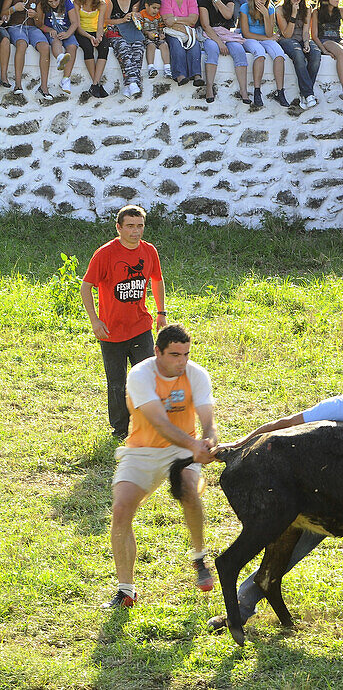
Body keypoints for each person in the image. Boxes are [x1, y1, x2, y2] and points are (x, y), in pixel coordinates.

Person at [206, 357, 343, 633]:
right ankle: (240, 610)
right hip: (328, 499)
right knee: (285, 553)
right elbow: (284, 424)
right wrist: (239, 444)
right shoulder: (338, 407)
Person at [102, 324, 218, 609]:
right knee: (120, 509)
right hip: (142, 450)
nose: (182, 361)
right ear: (157, 352)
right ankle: (126, 591)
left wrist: (210, 442)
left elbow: (208, 420)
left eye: (186, 354)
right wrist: (195, 447)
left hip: (182, 447)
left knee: (189, 489)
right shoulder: (141, 375)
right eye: (174, 355)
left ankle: (199, 557)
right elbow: (159, 422)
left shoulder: (197, 374)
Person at [80, 205, 166, 439]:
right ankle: (120, 429)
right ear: (119, 227)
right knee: (117, 384)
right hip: (111, 331)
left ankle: (149, 424)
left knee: (148, 378)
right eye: (130, 226)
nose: (135, 231)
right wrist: (95, 320)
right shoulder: (105, 253)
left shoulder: (149, 251)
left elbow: (157, 280)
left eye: (140, 226)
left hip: (140, 327)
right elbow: (85, 286)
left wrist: (161, 312)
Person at [198, 0, 248, 105]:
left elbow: (227, 15)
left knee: (239, 50)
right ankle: (209, 87)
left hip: (226, 33)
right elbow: (205, 25)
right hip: (210, 34)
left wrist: (216, 0)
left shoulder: (228, 1)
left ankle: (243, 90)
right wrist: (219, 42)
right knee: (213, 49)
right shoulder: (203, 3)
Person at [2, 0, 52, 99]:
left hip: (32, 28)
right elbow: (2, 14)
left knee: (45, 47)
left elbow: (40, 23)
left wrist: (35, 16)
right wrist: (13, 9)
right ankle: (18, 84)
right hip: (16, 26)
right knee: (21, 44)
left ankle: (44, 87)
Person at [239, 0, 290, 108]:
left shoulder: (270, 8)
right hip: (251, 38)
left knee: (279, 55)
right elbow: (246, 33)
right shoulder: (245, 8)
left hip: (265, 38)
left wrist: (266, 15)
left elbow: (268, 32)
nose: (262, 0)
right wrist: (267, 38)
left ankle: (280, 92)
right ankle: (257, 91)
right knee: (260, 53)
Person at [275, 0, 320, 109]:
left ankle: (304, 94)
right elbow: (287, 34)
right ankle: (309, 94)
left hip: (302, 39)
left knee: (316, 54)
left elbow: (306, 31)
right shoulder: (280, 9)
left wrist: (306, 42)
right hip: (287, 40)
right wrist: (294, 14)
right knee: (298, 55)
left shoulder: (307, 8)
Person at [104, 0, 145, 98]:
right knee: (124, 49)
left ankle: (130, 84)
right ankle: (133, 83)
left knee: (138, 49)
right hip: (115, 31)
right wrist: (122, 20)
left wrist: (136, 16)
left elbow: (135, 15)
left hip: (130, 30)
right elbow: (105, 20)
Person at [160, 0, 203, 87]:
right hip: (172, 31)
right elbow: (167, 21)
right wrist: (183, 22)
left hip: (188, 31)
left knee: (195, 45)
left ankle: (196, 75)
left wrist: (175, 19)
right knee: (176, 44)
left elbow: (193, 20)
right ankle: (180, 76)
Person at [73, 0, 108, 97]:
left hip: (95, 31)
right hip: (82, 32)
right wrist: (90, 37)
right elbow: (77, 26)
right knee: (88, 48)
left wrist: (99, 36)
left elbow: (100, 25)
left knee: (104, 47)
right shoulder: (77, 2)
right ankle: (98, 85)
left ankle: (95, 84)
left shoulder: (101, 4)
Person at [40, 0, 78, 94]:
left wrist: (67, 34)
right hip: (52, 31)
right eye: (50, 1)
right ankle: (60, 57)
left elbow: (75, 23)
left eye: (56, 1)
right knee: (55, 40)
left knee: (72, 46)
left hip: (66, 30)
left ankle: (66, 79)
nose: (54, 4)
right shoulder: (43, 5)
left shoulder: (67, 2)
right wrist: (50, 30)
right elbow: (40, 24)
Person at [135, 0, 170, 78]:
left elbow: (161, 27)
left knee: (164, 45)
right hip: (146, 37)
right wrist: (147, 33)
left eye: (158, 8)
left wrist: (161, 34)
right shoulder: (142, 15)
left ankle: (167, 68)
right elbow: (139, 28)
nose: (156, 11)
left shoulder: (158, 16)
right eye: (154, 8)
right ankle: (151, 67)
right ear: (147, 6)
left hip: (156, 35)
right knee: (151, 46)